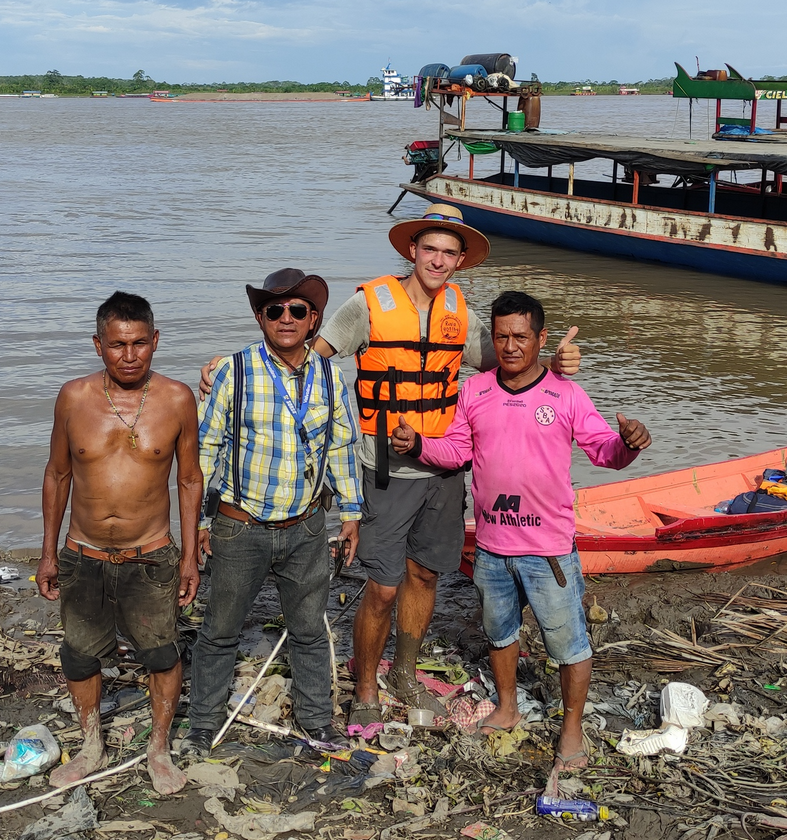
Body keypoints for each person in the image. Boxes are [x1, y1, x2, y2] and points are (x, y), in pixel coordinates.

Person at [199, 205, 581, 728]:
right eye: (430, 249)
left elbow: (510, 362)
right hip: (383, 465)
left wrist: (556, 367)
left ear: (461, 260)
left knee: (425, 573)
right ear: (411, 251)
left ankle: (403, 672)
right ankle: (364, 688)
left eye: (449, 252)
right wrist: (230, 366)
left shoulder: (462, 314)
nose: (438, 260)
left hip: (444, 464)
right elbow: (307, 350)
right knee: (381, 585)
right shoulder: (368, 304)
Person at [390, 290, 651, 794]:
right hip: (491, 547)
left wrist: (629, 443)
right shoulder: (476, 391)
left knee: (568, 643)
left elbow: (604, 451)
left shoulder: (567, 395)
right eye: (502, 336)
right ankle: (507, 706)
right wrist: (419, 444)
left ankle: (571, 730)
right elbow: (457, 450)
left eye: (521, 337)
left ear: (541, 339)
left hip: (549, 550)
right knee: (500, 633)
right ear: (492, 337)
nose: (510, 346)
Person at [182, 268, 364, 758]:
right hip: (239, 528)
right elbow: (205, 451)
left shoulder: (330, 374)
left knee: (309, 630)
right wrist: (199, 522)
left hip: (306, 527)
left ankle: (316, 723)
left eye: (298, 310)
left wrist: (351, 513)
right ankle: (202, 726)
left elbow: (343, 445)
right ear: (260, 317)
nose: (286, 318)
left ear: (314, 320)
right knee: (219, 630)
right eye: (275, 310)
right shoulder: (231, 371)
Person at [37, 292, 203, 795]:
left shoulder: (176, 399)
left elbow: (190, 481)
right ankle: (91, 744)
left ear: (155, 341)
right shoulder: (73, 397)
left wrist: (190, 555)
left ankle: (159, 747)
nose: (128, 356)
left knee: (160, 652)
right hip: (82, 552)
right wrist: (48, 552)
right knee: (80, 655)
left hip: (149, 554)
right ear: (97, 345)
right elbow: (58, 474)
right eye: (116, 346)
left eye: (138, 344)